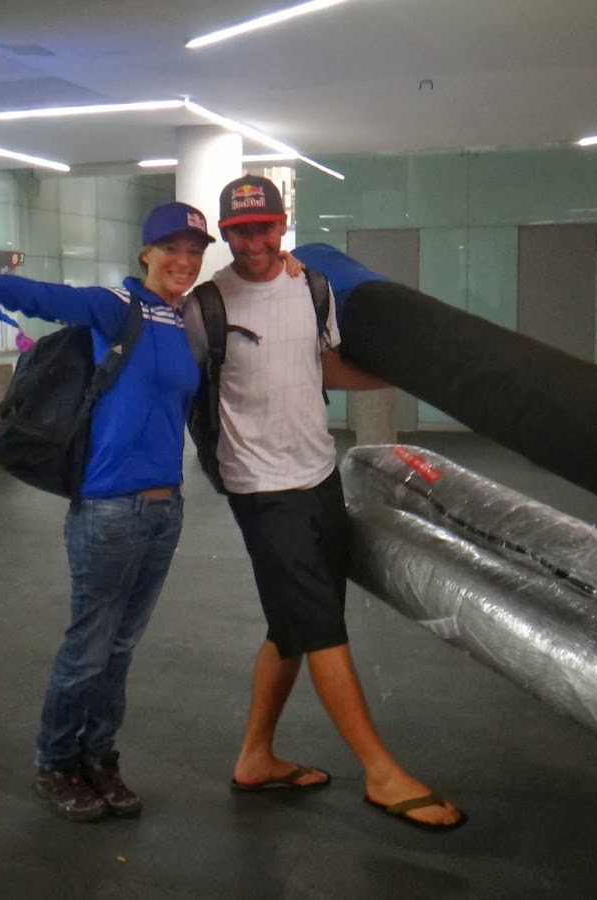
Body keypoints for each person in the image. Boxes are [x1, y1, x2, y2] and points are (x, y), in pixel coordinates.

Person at [0, 202, 214, 823]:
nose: (184, 262)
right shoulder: (116, 306)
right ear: (147, 253)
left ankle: (99, 757)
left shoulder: (184, 320)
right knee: (90, 647)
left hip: (166, 510)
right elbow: (39, 296)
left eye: (195, 252)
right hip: (110, 510)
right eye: (173, 249)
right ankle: (56, 762)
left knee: (121, 648)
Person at [187, 174, 465, 830]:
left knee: (293, 626)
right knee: (321, 628)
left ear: (282, 224)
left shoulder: (312, 287)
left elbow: (323, 365)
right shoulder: (207, 306)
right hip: (261, 490)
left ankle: (255, 757)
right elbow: (175, 380)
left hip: (318, 476)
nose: (253, 243)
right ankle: (380, 772)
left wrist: (403, 376)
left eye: (263, 228)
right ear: (225, 234)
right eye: (239, 232)